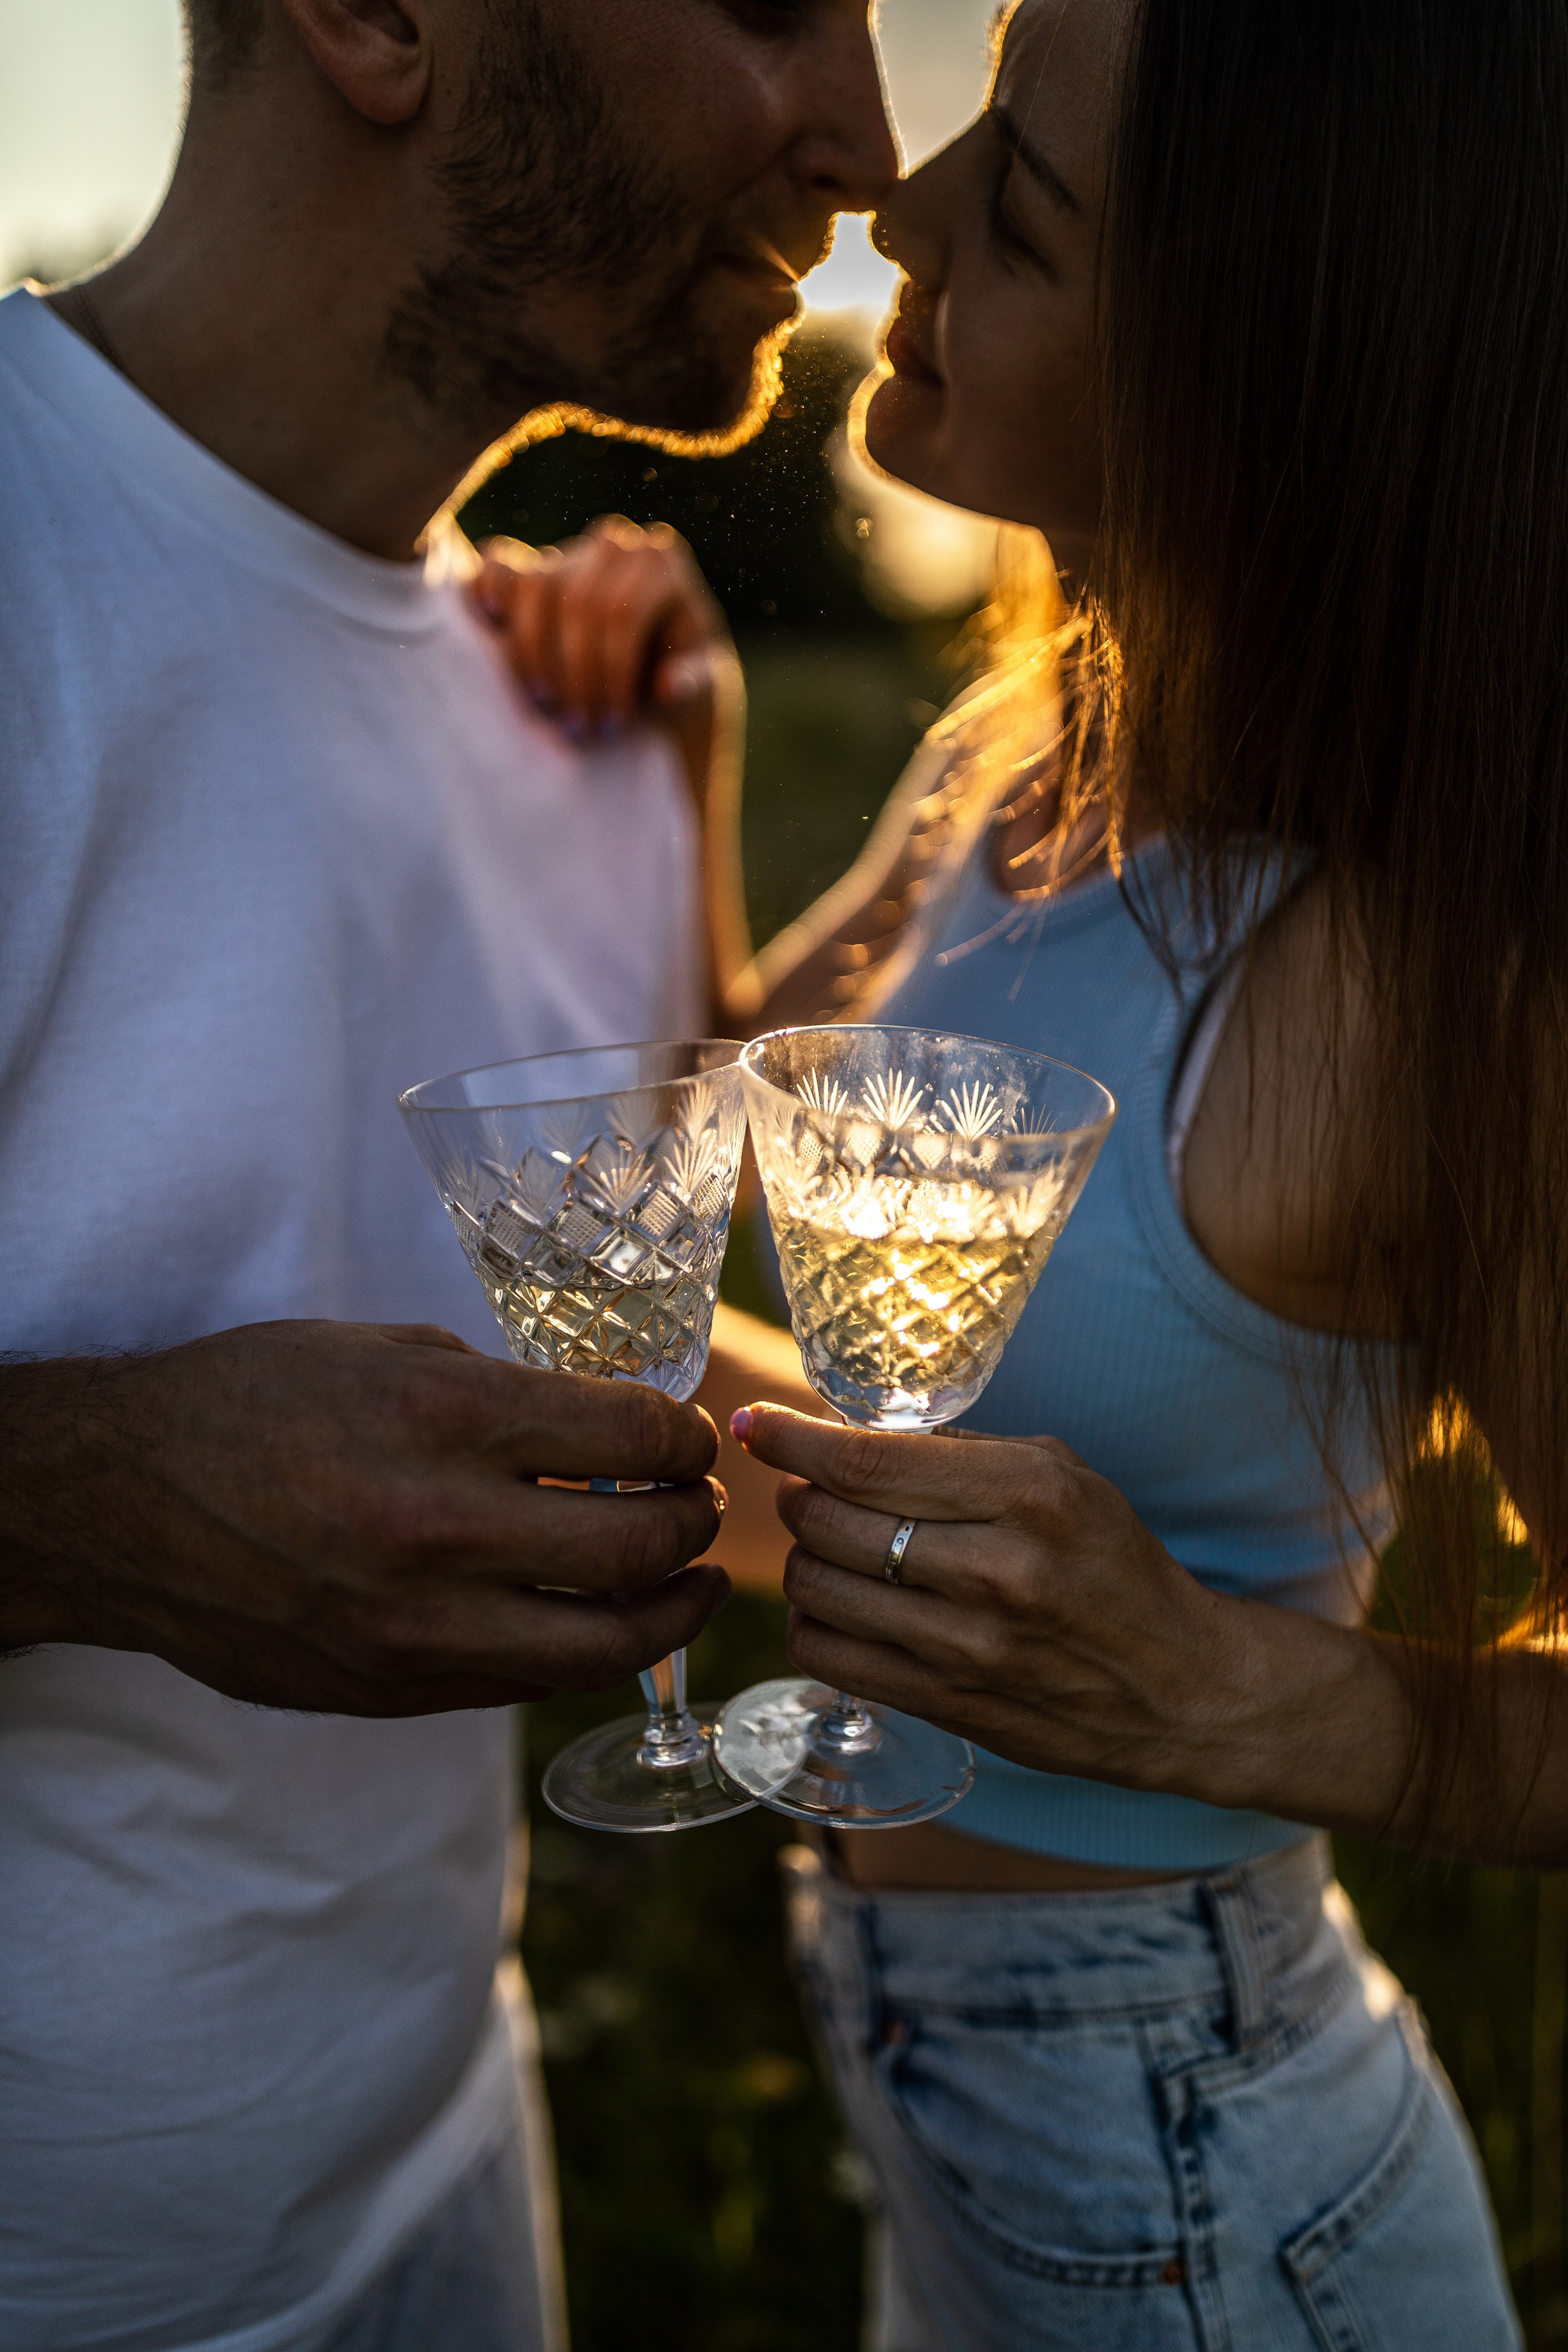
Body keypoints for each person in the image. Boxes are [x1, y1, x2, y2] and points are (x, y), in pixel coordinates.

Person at [489, 0, 1568, 2342]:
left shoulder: (1407, 982)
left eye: (1034, 207)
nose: (905, 199)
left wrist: (1241, 1695)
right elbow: (714, 1185)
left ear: (1248, 396)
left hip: (1202, 2142)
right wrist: (687, 766)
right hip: (937, 2083)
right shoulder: (1021, 763)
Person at [0, 4, 895, 2348]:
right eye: (777, 4)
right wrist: (75, 1499)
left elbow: (599, 1364)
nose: (878, 141)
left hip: (448, 2186)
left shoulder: (584, 715)